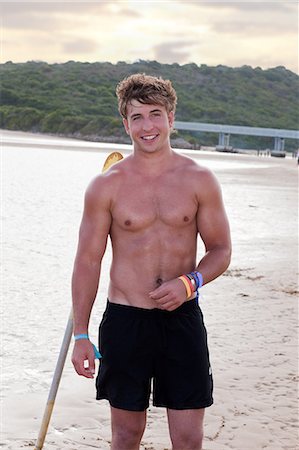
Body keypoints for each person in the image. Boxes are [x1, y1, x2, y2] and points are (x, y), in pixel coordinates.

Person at [71, 73, 231, 450]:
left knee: (188, 438)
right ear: (125, 123)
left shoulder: (199, 180)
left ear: (171, 118)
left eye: (155, 114)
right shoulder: (106, 186)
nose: (147, 126)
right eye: (137, 117)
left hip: (183, 321)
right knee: (126, 436)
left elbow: (221, 249)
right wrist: (81, 333)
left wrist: (190, 282)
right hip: (127, 321)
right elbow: (87, 261)